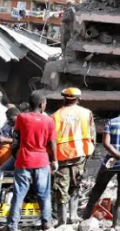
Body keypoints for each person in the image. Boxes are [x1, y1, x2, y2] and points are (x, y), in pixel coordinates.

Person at [83, 102, 120, 228]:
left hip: (109, 162)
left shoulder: (111, 122)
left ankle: (86, 216)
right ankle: (117, 224)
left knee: (98, 187)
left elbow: (106, 144)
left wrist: (115, 158)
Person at [5, 92, 56, 231]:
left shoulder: (22, 117)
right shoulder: (49, 121)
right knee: (44, 195)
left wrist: (16, 154)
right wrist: (55, 160)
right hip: (42, 161)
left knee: (18, 194)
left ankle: (12, 226)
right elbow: (52, 142)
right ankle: (47, 224)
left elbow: (16, 137)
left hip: (24, 161)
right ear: (42, 105)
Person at [51, 87, 95, 226]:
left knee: (61, 187)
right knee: (76, 184)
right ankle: (74, 215)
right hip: (80, 153)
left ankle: (61, 220)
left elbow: (51, 139)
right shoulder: (86, 113)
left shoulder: (55, 115)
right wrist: (90, 153)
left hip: (61, 154)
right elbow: (92, 136)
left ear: (64, 98)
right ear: (79, 98)